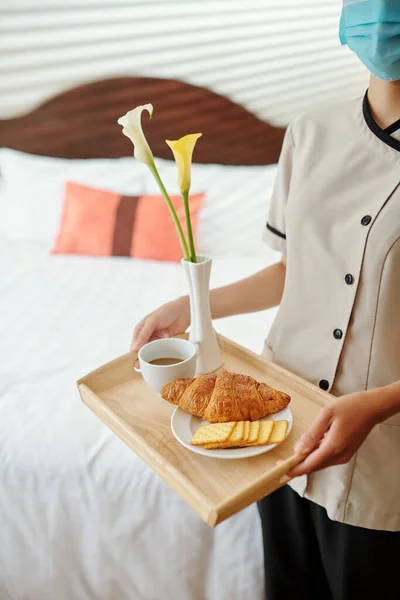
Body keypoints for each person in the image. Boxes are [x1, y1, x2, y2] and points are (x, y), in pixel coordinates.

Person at [132, 2, 400, 598]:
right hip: (280, 422)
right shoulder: (311, 130)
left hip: (386, 454)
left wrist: (378, 405)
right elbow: (289, 271)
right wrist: (193, 307)